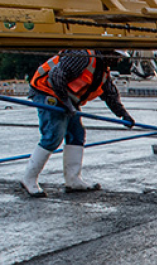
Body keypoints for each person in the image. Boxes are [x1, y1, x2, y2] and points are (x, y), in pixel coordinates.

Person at [20, 49, 134, 198]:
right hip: (48, 92)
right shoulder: (82, 56)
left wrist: (123, 114)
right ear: (107, 52)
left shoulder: (102, 69)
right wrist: (67, 103)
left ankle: (73, 180)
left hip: (66, 98)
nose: (118, 61)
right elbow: (56, 76)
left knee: (77, 134)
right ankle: (29, 179)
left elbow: (109, 94)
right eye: (117, 57)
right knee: (53, 135)